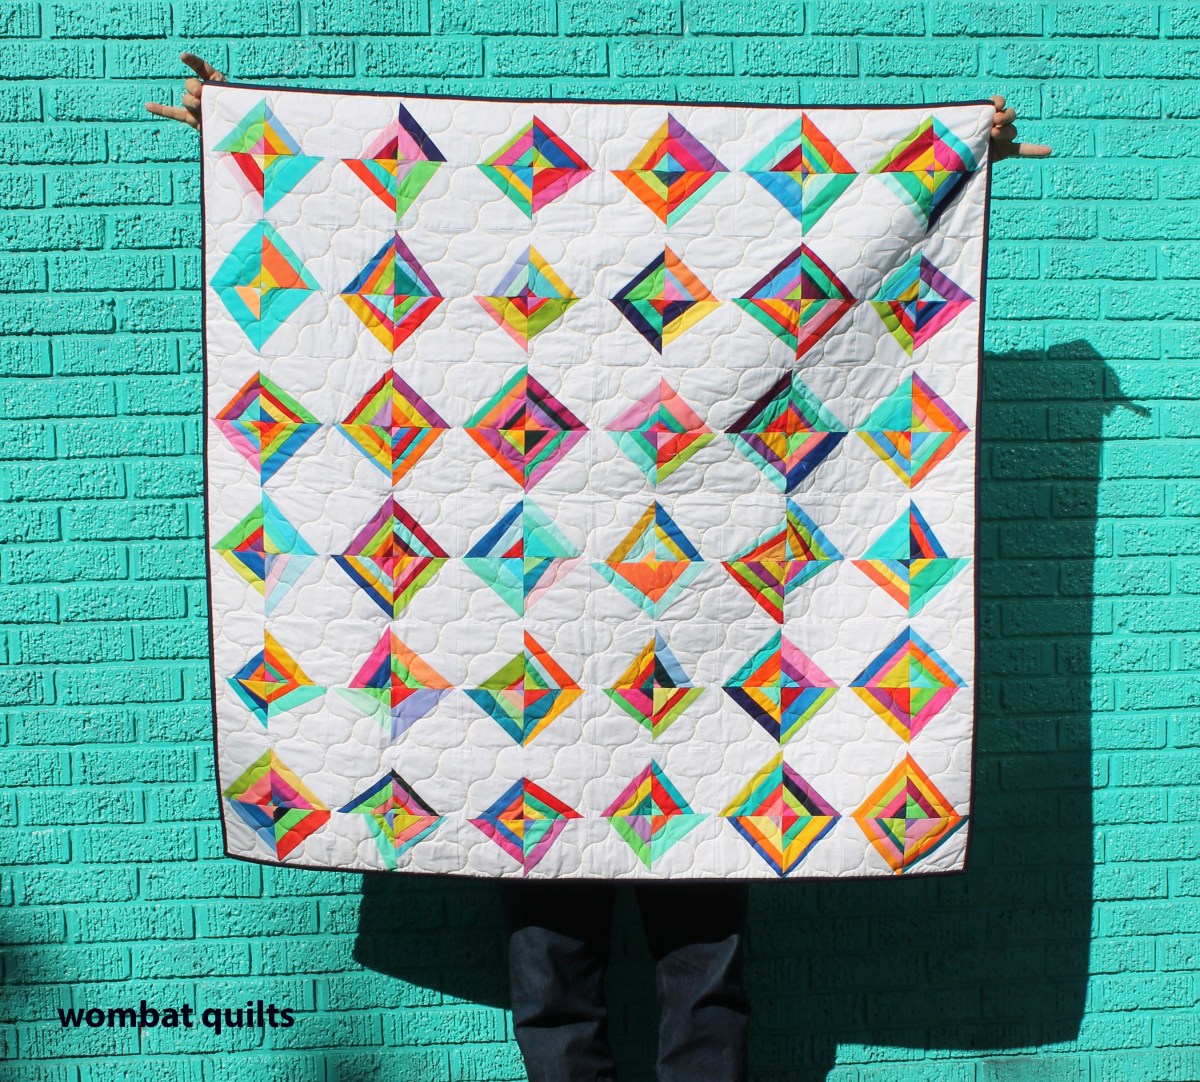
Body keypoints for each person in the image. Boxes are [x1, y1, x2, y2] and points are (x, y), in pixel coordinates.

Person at [150, 53, 1050, 1082]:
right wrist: (240, 133)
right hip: (538, 712)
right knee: (575, 982)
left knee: (667, 979)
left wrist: (953, 153)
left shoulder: (678, 313)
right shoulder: (513, 321)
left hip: (692, 703)